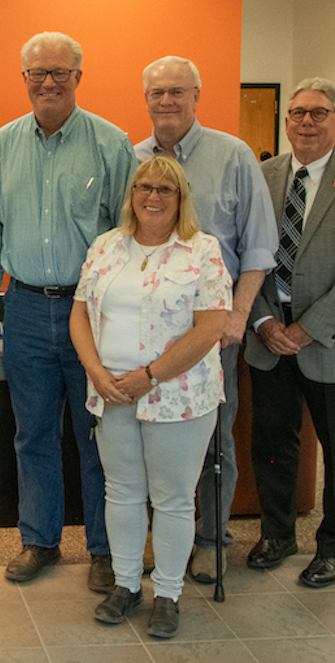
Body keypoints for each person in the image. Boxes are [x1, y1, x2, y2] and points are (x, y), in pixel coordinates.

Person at [0, 31, 137, 592]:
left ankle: (104, 549)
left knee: (99, 435)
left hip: (92, 311)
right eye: (38, 73)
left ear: (78, 77)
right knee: (33, 435)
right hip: (24, 307)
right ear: (24, 78)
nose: (48, 82)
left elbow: (129, 235)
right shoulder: (1, 144)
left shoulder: (111, 143)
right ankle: (40, 540)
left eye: (59, 72)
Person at [70, 155, 231, 639]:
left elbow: (211, 328)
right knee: (120, 492)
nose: (153, 197)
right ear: (132, 194)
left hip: (178, 396)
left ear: (181, 198)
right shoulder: (106, 246)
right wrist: (96, 372)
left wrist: (150, 376)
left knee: (173, 499)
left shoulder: (202, 251)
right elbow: (80, 315)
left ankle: (167, 594)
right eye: (144, 187)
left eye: (165, 189)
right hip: (112, 391)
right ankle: (125, 585)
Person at [245, 78, 335, 588]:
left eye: (319, 113)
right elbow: (246, 253)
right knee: (272, 442)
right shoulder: (263, 175)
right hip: (269, 336)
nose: (306, 122)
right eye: (298, 113)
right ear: (286, 121)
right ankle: (278, 534)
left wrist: (308, 328)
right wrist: (262, 320)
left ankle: (334, 548)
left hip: (332, 339)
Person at [134, 56, 277, 583]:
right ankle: (166, 539)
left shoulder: (233, 155)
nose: (166, 101)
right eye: (157, 93)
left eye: (177, 91)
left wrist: (238, 315)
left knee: (214, 439)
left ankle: (212, 539)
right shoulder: (134, 160)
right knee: (152, 440)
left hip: (213, 329)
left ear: (196, 95)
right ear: (146, 99)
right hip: (150, 333)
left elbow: (259, 247)